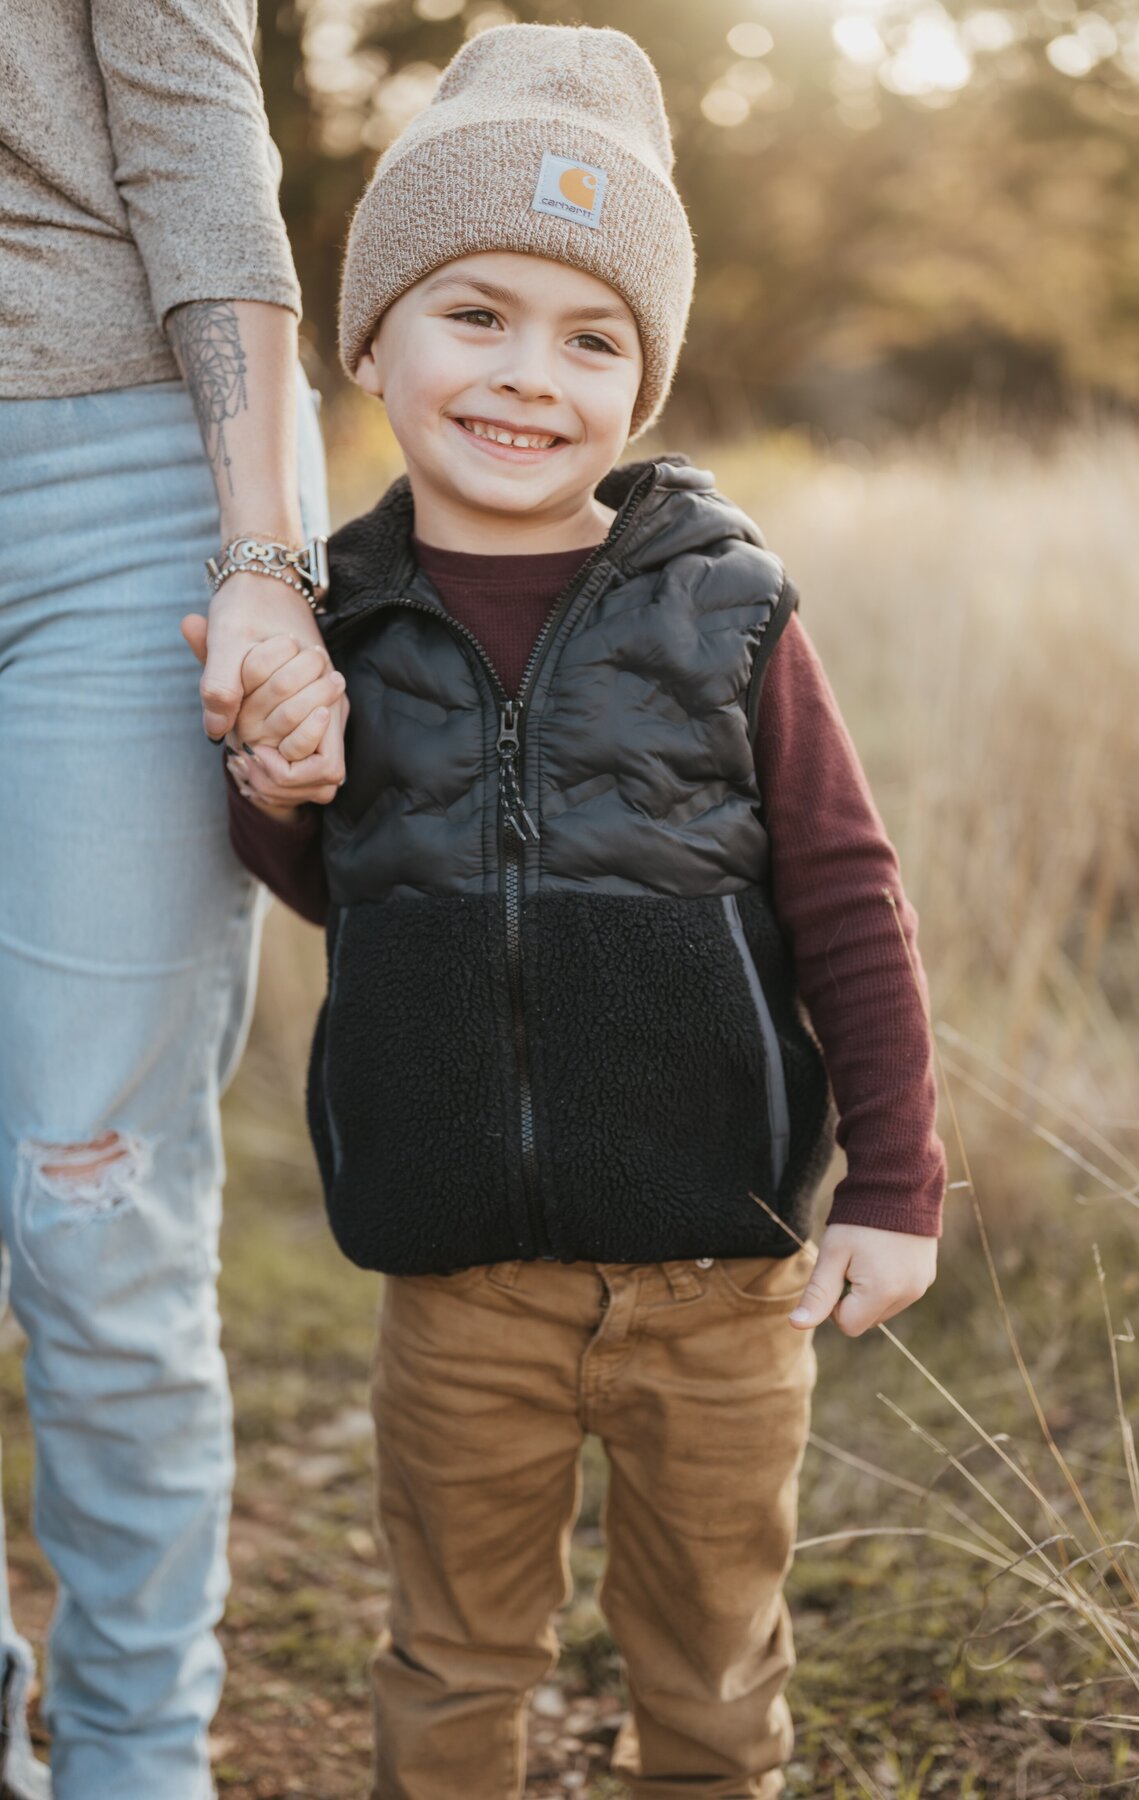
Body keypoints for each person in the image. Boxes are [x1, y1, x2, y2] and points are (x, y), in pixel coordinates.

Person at [223, 23, 945, 1800]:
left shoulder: (730, 608)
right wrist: (273, 793)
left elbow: (850, 893)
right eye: (475, 313)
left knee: (709, 1658)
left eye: (592, 335)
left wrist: (902, 1184)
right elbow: (347, 889)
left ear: (645, 383)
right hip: (459, 1279)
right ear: (371, 335)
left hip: (721, 1279)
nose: (529, 374)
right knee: (455, 1650)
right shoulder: (341, 616)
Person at [0, 3, 335, 1795]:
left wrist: (262, 554)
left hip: (116, 482)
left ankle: (135, 1755)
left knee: (92, 1204)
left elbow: (205, 152)